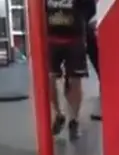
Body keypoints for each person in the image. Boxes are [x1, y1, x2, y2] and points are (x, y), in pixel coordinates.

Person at [45, 0, 89, 140]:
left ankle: (74, 120)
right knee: (50, 79)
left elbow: (89, 10)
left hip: (74, 39)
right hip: (51, 39)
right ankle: (59, 115)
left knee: (75, 80)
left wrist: (77, 21)